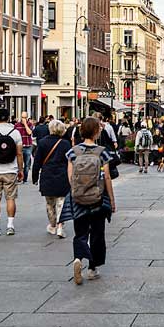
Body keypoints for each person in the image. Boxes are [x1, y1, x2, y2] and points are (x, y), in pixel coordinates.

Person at [65, 115, 116, 285]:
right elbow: (107, 177)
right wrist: (112, 200)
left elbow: (70, 176)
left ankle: (78, 258)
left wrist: (76, 191)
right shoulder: (102, 152)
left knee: (80, 232)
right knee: (97, 233)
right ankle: (93, 268)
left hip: (78, 198)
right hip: (97, 198)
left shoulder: (73, 152)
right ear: (96, 132)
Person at [32, 118, 70, 237]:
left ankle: (52, 225)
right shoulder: (65, 143)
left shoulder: (42, 142)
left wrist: (34, 177)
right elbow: (70, 161)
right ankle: (60, 226)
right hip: (62, 175)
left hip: (47, 175)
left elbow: (37, 161)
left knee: (49, 203)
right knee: (61, 202)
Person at [17, 112, 35, 181]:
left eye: (25, 117)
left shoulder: (30, 124)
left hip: (28, 146)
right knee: (19, 163)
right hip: (20, 146)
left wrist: (25, 124)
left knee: (27, 163)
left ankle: (25, 178)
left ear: (27, 117)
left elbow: (29, 132)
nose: (23, 119)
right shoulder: (17, 125)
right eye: (22, 117)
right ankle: (20, 176)